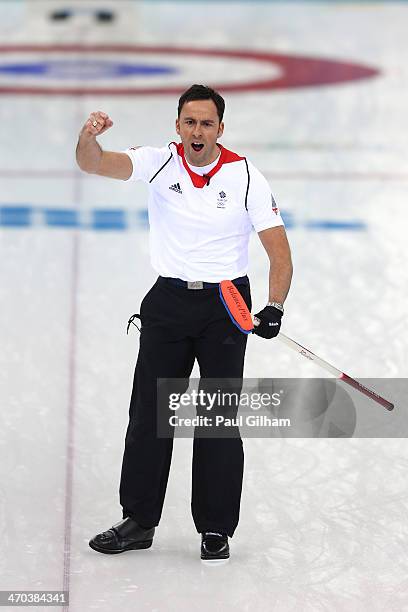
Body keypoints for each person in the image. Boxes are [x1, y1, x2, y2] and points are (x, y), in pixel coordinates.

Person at [76, 84, 293, 561]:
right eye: (189, 122)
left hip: (226, 305)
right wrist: (89, 137)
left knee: (216, 419)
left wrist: (274, 306)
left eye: (207, 123)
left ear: (220, 128)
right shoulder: (158, 161)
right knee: (150, 415)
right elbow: (92, 163)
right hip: (168, 303)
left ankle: (215, 529)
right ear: (178, 126)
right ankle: (138, 520)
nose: (198, 131)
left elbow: (279, 251)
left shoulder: (245, 176)